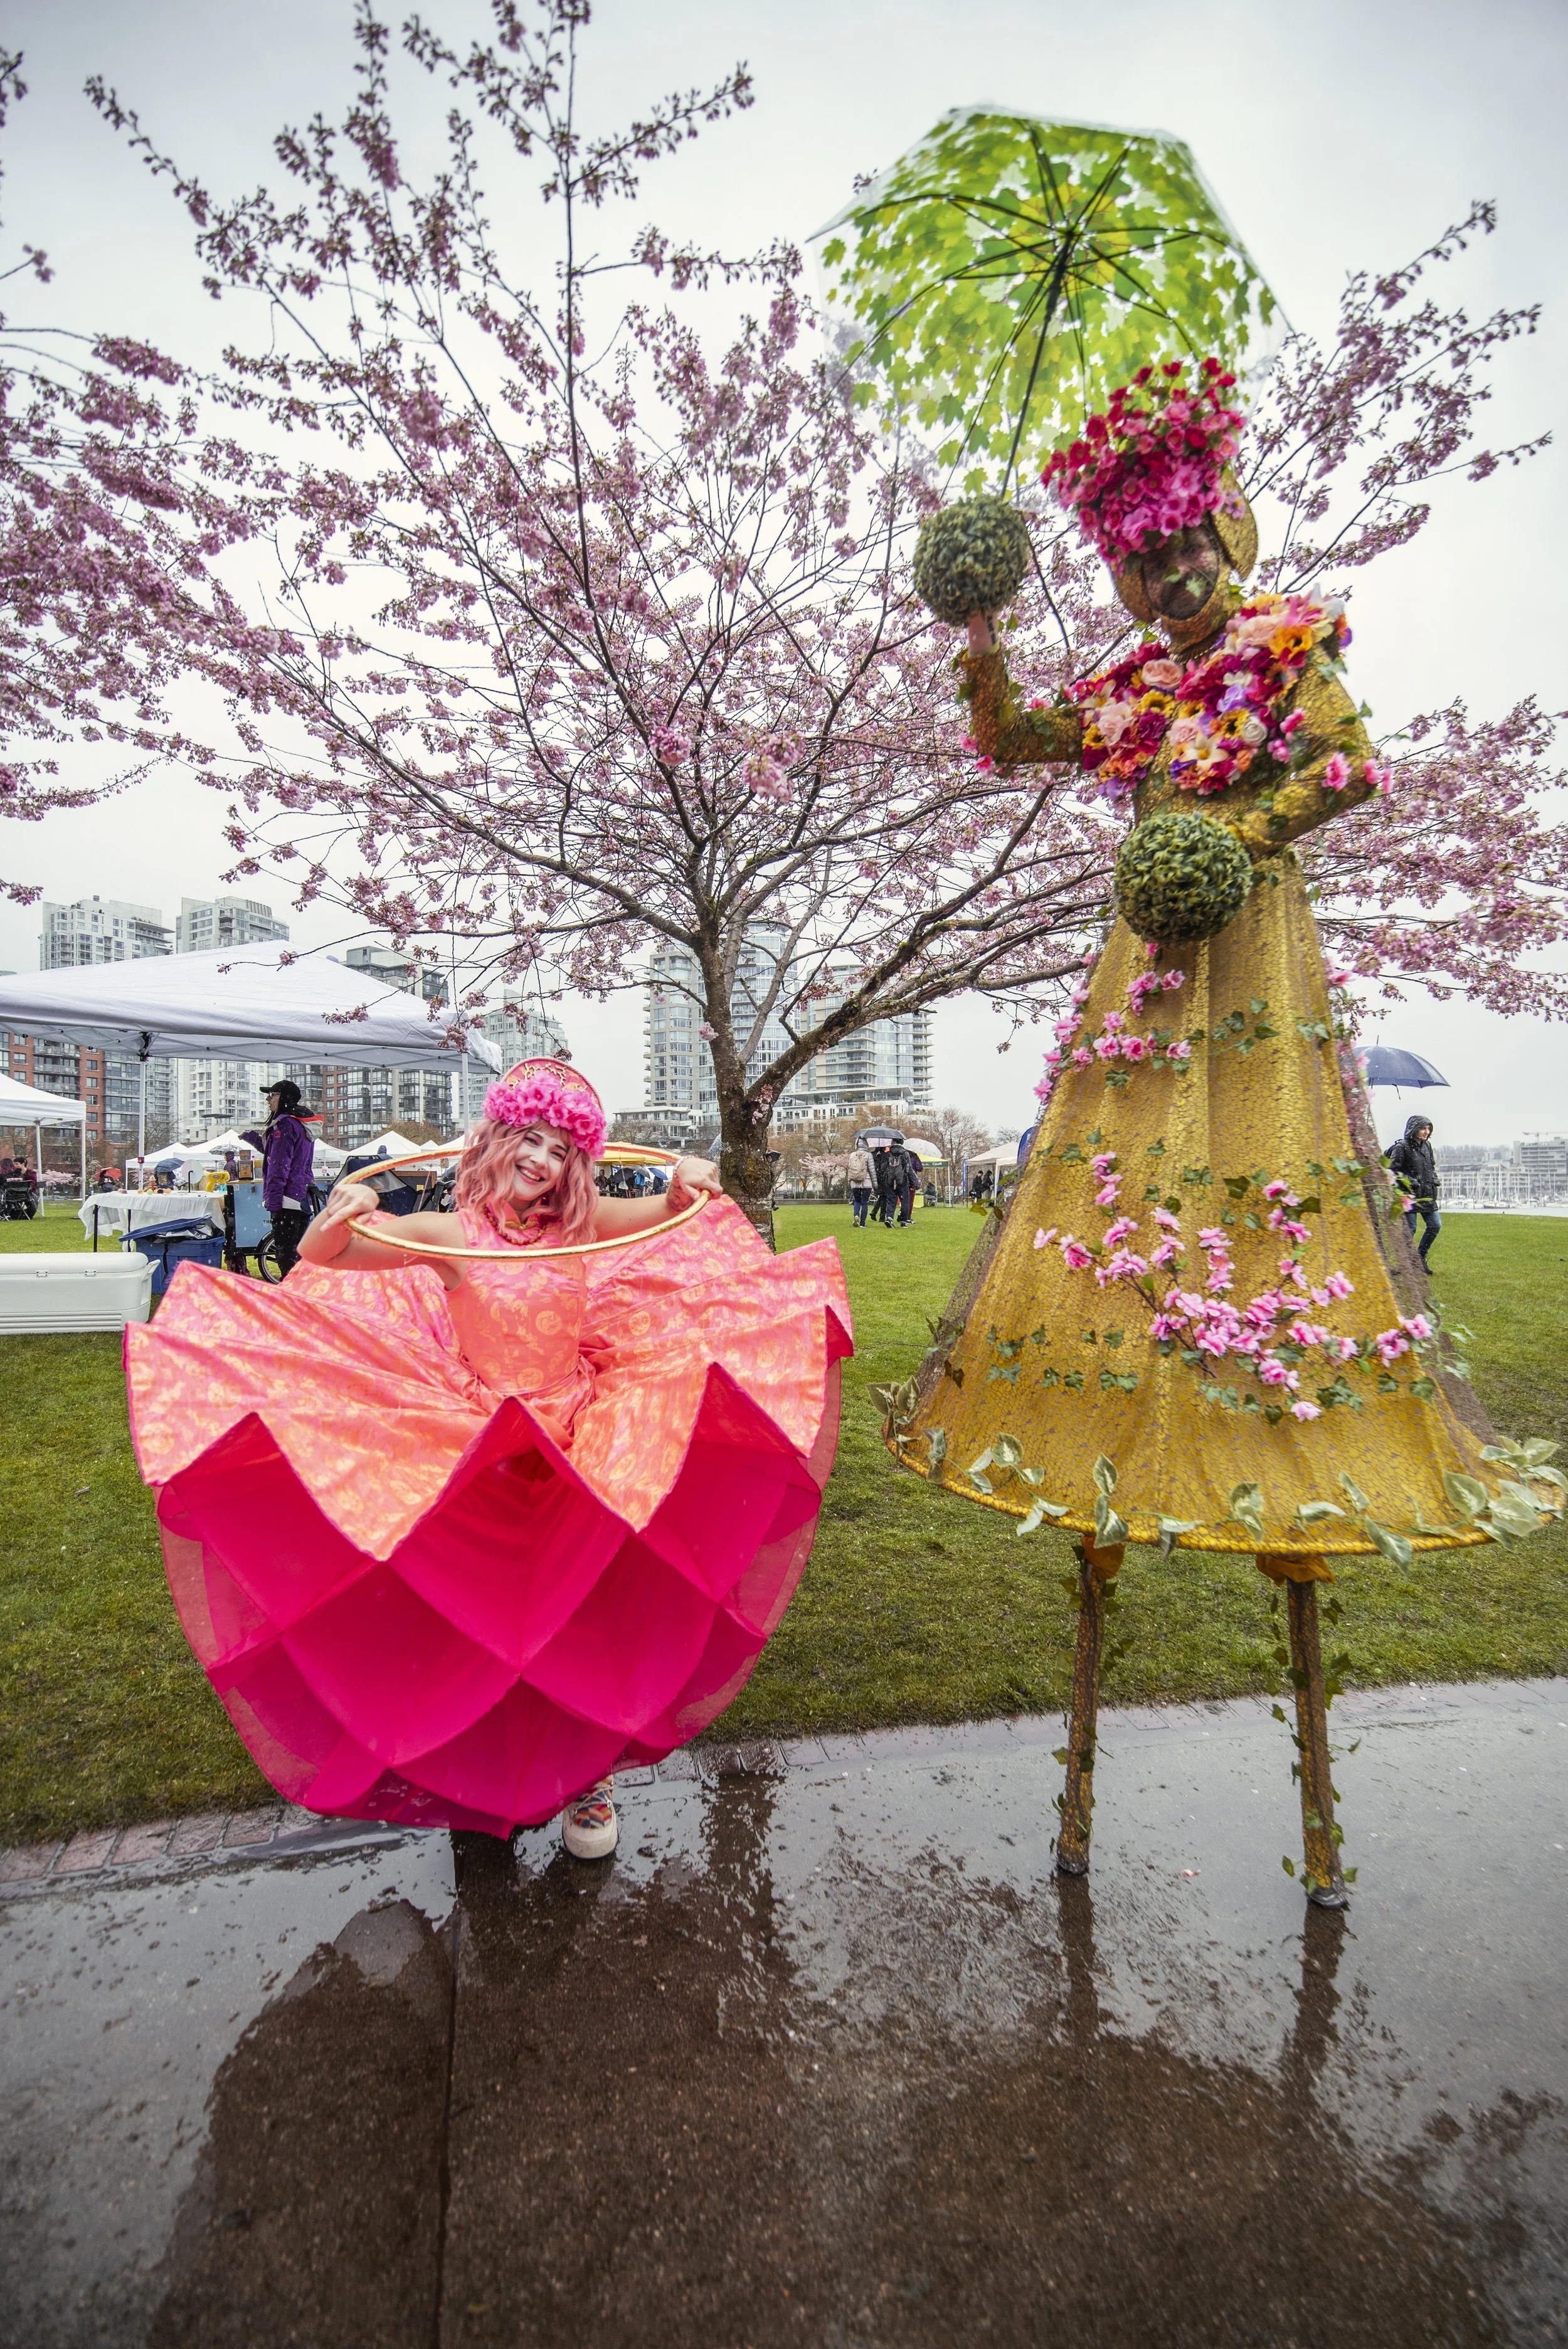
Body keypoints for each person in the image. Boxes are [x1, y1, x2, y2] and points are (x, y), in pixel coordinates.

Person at [900, 354, 1503, 1559]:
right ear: (1126, 578)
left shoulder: (1283, 648)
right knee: (1127, 1113)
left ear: (1226, 540)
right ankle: (1130, 1343)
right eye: (1148, 565)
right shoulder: (1132, 679)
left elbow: (1348, 766)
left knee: (1255, 1104)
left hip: (1253, 921)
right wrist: (980, 632)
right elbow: (1015, 735)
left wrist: (1234, 838)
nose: (1176, 580)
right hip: (1148, 930)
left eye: (1191, 555)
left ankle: (1278, 1363)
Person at [124, 1058, 851, 1859]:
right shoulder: (453, 1233)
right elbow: (330, 1254)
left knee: (583, 1611)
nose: (542, 1162)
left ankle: (587, 1779)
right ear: (501, 1137)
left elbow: (668, 1209)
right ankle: (482, 1774)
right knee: (492, 1622)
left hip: (579, 1429)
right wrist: (351, 1203)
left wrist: (685, 1177)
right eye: (531, 1140)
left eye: (562, 1151)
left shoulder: (580, 1225)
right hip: (481, 1443)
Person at [240, 1080, 319, 1277]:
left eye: (272, 1095)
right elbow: (281, 1155)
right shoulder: (300, 1123)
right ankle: (301, 1293)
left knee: (287, 1252)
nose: (268, 1100)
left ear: (284, 1098)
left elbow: (279, 1166)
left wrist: (274, 1201)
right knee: (298, 1250)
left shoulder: (284, 1124)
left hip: (287, 1198)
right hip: (301, 1195)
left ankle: (292, 1296)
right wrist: (255, 1139)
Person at [1387, 1115, 1441, 1266]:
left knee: (1435, 1225)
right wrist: (1412, 1182)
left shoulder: (1427, 1146)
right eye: (1423, 1128)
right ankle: (1404, 1264)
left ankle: (1419, 1258)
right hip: (1409, 1194)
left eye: (1428, 1128)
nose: (1427, 1132)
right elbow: (1392, 1170)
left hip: (1427, 1194)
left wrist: (1434, 1181)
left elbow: (1431, 1167)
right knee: (1410, 1229)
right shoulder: (1401, 1147)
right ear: (1414, 1129)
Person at [847, 1140, 874, 1226]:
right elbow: (872, 1171)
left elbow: (850, 1168)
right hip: (867, 1182)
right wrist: (875, 1184)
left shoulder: (852, 1155)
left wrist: (850, 1181)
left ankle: (856, 1215)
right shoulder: (869, 1155)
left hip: (855, 1182)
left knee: (857, 1201)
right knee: (865, 1203)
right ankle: (863, 1223)